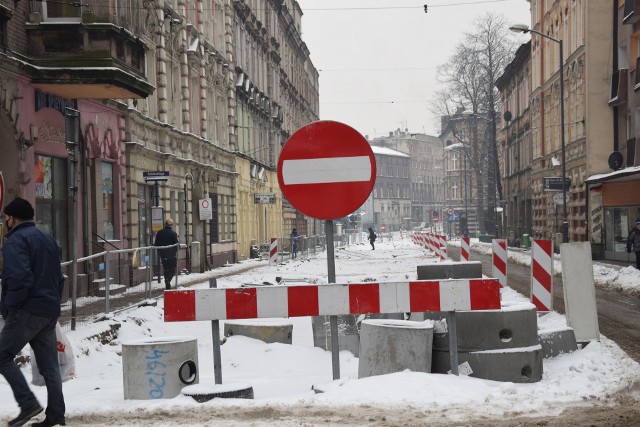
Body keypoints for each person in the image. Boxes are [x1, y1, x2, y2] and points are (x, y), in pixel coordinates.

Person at [0, 197, 66, 427]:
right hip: (48, 309)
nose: (6, 221)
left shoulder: (15, 241)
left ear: (13, 218)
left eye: (7, 217)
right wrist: (53, 303)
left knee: (1, 355)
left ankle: (28, 403)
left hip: (27, 309)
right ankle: (56, 414)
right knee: (49, 365)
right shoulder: (46, 238)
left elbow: (19, 278)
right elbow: (59, 277)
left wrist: (10, 306)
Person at [154, 217, 179, 290]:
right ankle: (168, 280)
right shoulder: (173, 234)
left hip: (163, 255)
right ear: (172, 225)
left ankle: (167, 281)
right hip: (171, 255)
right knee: (172, 269)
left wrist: (161, 251)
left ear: (165, 223)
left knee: (166, 269)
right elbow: (176, 245)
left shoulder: (159, 232)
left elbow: (156, 244)